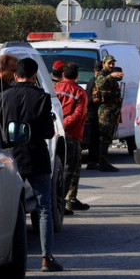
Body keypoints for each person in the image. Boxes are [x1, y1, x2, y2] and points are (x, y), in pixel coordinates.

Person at [0, 57, 63, 272]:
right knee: (43, 208)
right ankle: (46, 257)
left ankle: (6, 256)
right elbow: (48, 132)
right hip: (36, 157)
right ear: (34, 76)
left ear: (15, 75)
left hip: (9, 158)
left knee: (9, 208)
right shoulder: (42, 98)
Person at [55, 62, 89, 213]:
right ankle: (59, 204)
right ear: (77, 76)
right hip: (71, 135)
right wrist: (64, 125)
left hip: (55, 135)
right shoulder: (80, 93)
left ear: (63, 74)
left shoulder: (54, 89)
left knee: (56, 170)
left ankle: (58, 203)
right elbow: (79, 115)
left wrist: (57, 126)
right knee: (68, 172)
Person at [93, 55, 122, 172]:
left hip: (112, 110)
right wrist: (111, 76)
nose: (111, 65)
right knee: (104, 137)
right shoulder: (102, 75)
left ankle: (104, 161)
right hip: (104, 111)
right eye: (109, 63)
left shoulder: (111, 75)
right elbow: (99, 84)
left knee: (108, 137)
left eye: (113, 63)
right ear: (104, 63)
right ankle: (102, 162)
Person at [85, 58, 104, 169]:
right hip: (93, 113)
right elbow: (89, 99)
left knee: (97, 139)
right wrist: (96, 98)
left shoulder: (101, 81)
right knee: (93, 139)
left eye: (100, 70)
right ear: (94, 70)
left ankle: (96, 160)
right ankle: (92, 161)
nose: (98, 73)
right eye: (97, 70)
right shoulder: (92, 82)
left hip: (99, 114)